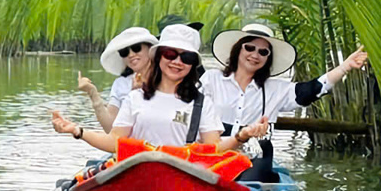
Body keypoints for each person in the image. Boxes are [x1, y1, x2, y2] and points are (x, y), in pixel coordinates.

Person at [52, 24, 268, 153]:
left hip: (181, 179)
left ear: (193, 63)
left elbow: (212, 148)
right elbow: (115, 142)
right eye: (171, 54)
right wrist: (77, 131)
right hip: (139, 175)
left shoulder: (201, 103)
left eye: (187, 56)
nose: (177, 61)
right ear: (159, 56)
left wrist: (242, 135)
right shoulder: (135, 98)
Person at [203, 23, 368, 180]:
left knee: (253, 177)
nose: (255, 55)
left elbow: (313, 89)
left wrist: (345, 67)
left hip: (253, 156)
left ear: (268, 58)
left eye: (263, 52)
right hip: (214, 150)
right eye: (250, 48)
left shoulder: (276, 88)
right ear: (238, 49)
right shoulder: (212, 79)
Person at [77, 27, 158, 132]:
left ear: (150, 49)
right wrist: (92, 93)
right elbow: (111, 128)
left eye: (136, 48)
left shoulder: (167, 78)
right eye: (124, 52)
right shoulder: (121, 84)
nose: (131, 55)